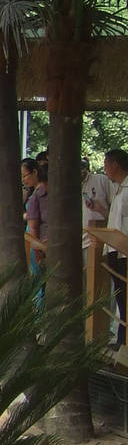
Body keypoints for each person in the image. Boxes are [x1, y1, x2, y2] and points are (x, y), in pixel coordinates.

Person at [101, 148, 127, 347]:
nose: (105, 168)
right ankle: (121, 337)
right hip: (113, 249)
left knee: (125, 296)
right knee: (120, 295)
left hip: (124, 251)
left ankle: (124, 339)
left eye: (106, 164)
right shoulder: (118, 189)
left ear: (115, 164)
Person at [24, 158, 49, 273]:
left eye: (25, 176)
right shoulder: (33, 195)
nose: (24, 180)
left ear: (35, 173)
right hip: (34, 239)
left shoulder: (40, 193)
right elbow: (33, 226)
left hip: (40, 239)